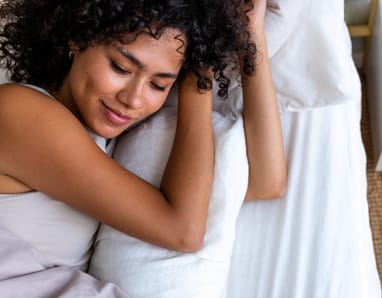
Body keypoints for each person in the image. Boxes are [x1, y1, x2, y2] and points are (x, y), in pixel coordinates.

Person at [0, 0, 286, 270]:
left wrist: (251, 35)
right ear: (77, 38)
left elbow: (264, 182)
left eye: (159, 85)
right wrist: (198, 78)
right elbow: (182, 231)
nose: (133, 100)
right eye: (121, 68)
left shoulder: (107, 134)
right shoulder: (19, 112)